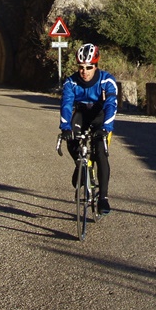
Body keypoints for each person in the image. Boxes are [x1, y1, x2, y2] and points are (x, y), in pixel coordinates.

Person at [60, 43, 117, 215]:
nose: (84, 71)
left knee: (100, 153)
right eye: (81, 67)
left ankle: (103, 198)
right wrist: (65, 127)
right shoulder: (71, 82)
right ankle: (80, 165)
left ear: (96, 66)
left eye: (89, 67)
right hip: (81, 115)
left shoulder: (106, 80)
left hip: (100, 117)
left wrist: (106, 127)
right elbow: (66, 104)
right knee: (71, 139)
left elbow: (111, 104)